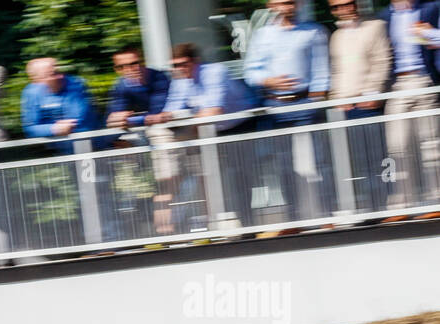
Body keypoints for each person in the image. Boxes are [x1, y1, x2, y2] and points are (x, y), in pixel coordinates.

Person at [149, 43, 258, 234]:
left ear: (195, 61)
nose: (179, 69)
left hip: (241, 126)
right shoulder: (179, 80)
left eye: (183, 64)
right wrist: (164, 117)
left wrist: (182, 118)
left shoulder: (215, 72)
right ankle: (224, 224)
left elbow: (214, 111)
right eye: (174, 66)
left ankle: (250, 226)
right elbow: (171, 111)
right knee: (217, 179)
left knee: (242, 178)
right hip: (212, 131)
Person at [244, 1, 332, 228]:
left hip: (305, 103)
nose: (286, 6)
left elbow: (322, 71)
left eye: (290, 2)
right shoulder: (262, 35)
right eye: (281, 2)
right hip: (275, 107)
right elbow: (250, 72)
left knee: (317, 162)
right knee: (284, 166)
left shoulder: (313, 31)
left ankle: (325, 215)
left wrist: (315, 101)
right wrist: (268, 80)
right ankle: (293, 219)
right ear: (271, 5)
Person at [381, 0, 440, 214]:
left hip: (424, 80)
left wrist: (431, 34)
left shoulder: (431, 8)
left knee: (431, 145)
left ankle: (436, 200)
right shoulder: (384, 16)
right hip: (398, 85)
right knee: (397, 146)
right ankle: (402, 204)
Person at [329, 0, 391, 116]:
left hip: (369, 103)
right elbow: (336, 70)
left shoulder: (375, 26)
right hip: (346, 105)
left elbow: (381, 63)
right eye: (336, 7)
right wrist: (337, 98)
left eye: (348, 4)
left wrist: (372, 95)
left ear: (356, 4)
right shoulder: (336, 36)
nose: (343, 10)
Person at [20, 58, 94, 152]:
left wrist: (50, 126)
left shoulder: (76, 84)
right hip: (58, 150)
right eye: (52, 74)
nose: (60, 76)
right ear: (37, 80)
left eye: (58, 70)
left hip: (88, 144)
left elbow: (75, 120)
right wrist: (53, 128)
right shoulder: (31, 92)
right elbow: (30, 128)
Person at [106, 45, 171, 133]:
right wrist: (116, 121)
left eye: (133, 64)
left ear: (143, 62)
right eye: (121, 67)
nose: (128, 70)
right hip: (139, 129)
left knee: (159, 132)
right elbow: (114, 118)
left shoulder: (159, 78)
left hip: (166, 126)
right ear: (116, 70)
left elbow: (156, 115)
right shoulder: (120, 85)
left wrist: (129, 120)